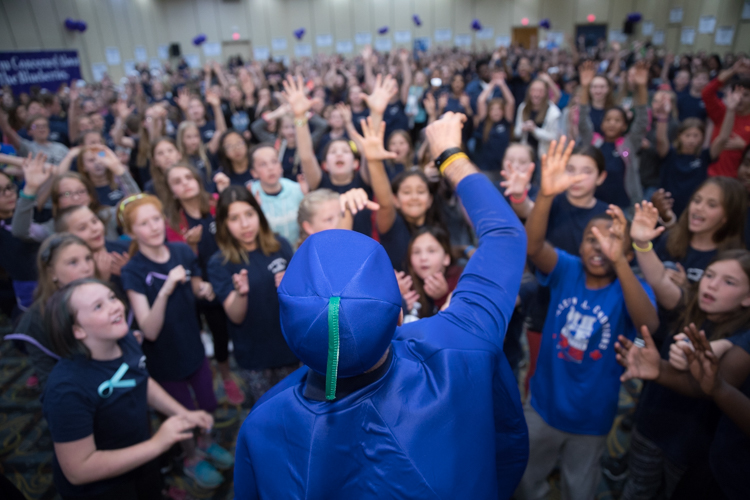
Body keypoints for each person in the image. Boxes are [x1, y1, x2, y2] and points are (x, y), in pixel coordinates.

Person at [234, 111, 529, 499]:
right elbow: (505, 235)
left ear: (290, 330)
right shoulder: (457, 345)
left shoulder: (262, 425)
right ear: (401, 315)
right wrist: (450, 155)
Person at [517, 137, 658, 500]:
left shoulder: (632, 288)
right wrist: (545, 195)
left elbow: (648, 326)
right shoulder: (568, 269)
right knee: (524, 476)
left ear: (626, 248)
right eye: (592, 240)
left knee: (580, 486)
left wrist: (622, 261)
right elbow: (533, 248)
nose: (601, 248)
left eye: (612, 240)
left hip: (592, 418)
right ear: (579, 246)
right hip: (544, 405)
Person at [42, 278, 214, 499]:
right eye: (98, 306)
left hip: (140, 458)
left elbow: (141, 382)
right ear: (77, 330)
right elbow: (78, 470)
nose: (116, 306)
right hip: (102, 488)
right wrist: (157, 444)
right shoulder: (66, 390)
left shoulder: (125, 340)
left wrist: (183, 413)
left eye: (112, 297)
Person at [615, 249, 750, 499]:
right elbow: (657, 279)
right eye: (709, 275)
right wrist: (642, 244)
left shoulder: (742, 337)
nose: (713, 285)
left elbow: (718, 381)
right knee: (637, 487)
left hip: (692, 445)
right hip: (650, 423)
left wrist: (693, 357)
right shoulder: (689, 305)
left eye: (729, 282)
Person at [119, 194, 232, 489]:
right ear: (131, 233)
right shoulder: (133, 271)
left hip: (193, 347)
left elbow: (194, 284)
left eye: (156, 219)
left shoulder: (181, 250)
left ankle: (205, 442)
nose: (154, 227)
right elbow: (150, 329)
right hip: (164, 359)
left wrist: (203, 289)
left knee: (208, 402)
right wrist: (167, 288)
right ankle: (191, 457)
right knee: (181, 417)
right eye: (144, 223)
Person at [207, 186, 299, 406]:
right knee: (269, 415)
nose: (245, 224)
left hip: (291, 347)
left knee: (298, 407)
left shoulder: (281, 246)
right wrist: (240, 293)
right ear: (224, 224)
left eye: (249, 214)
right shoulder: (219, 263)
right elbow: (235, 316)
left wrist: (293, 285)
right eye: (234, 218)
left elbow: (301, 301)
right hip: (255, 358)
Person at [162, 163, 245, 406]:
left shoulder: (217, 202)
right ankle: (227, 376)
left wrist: (230, 193)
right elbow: (180, 266)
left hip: (233, 274)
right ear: (172, 190)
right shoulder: (174, 223)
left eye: (189, 177)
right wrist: (191, 247)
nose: (185, 183)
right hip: (205, 289)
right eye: (177, 181)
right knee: (219, 334)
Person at [13, 233, 99, 388]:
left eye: (88, 258)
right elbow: (50, 383)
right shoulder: (37, 320)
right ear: (52, 273)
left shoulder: (105, 297)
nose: (86, 268)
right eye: (73, 262)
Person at [579, 60, 650, 207]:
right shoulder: (594, 142)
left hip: (623, 205)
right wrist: (585, 87)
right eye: (608, 120)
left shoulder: (628, 144)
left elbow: (642, 119)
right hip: (594, 203)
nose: (612, 123)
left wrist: (641, 86)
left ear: (624, 126)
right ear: (602, 124)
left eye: (617, 120)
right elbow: (583, 121)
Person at [654, 90, 710, 217]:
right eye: (688, 135)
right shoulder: (671, 154)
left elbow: (722, 140)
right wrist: (662, 117)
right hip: (668, 209)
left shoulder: (704, 156)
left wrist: (730, 110)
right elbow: (660, 140)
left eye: (696, 136)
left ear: (702, 137)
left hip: (692, 209)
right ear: (679, 136)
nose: (691, 140)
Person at [246, 144, 305, 247]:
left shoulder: (297, 189)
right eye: (263, 164)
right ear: (254, 172)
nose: (270, 168)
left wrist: (307, 196)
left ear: (281, 166)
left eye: (274, 162)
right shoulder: (250, 195)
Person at [400, 226, 462, 320]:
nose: (423, 257)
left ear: (446, 258)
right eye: (416, 252)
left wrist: (444, 296)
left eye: (431, 251)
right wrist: (397, 300)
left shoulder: (461, 281)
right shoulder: (405, 285)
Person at [702, 58, 750, 177]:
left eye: (746, 95)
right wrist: (733, 70)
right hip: (710, 174)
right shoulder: (722, 111)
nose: (740, 98)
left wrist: (744, 147)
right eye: (737, 93)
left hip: (737, 179)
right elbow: (707, 93)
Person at [473, 71, 515, 175]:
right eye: (493, 109)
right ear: (488, 111)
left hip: (504, 168)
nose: (496, 112)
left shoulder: (506, 122)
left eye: (499, 109)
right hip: (486, 168)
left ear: (503, 111)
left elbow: (511, 102)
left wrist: (502, 84)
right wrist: (492, 84)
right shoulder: (484, 122)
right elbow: (481, 100)